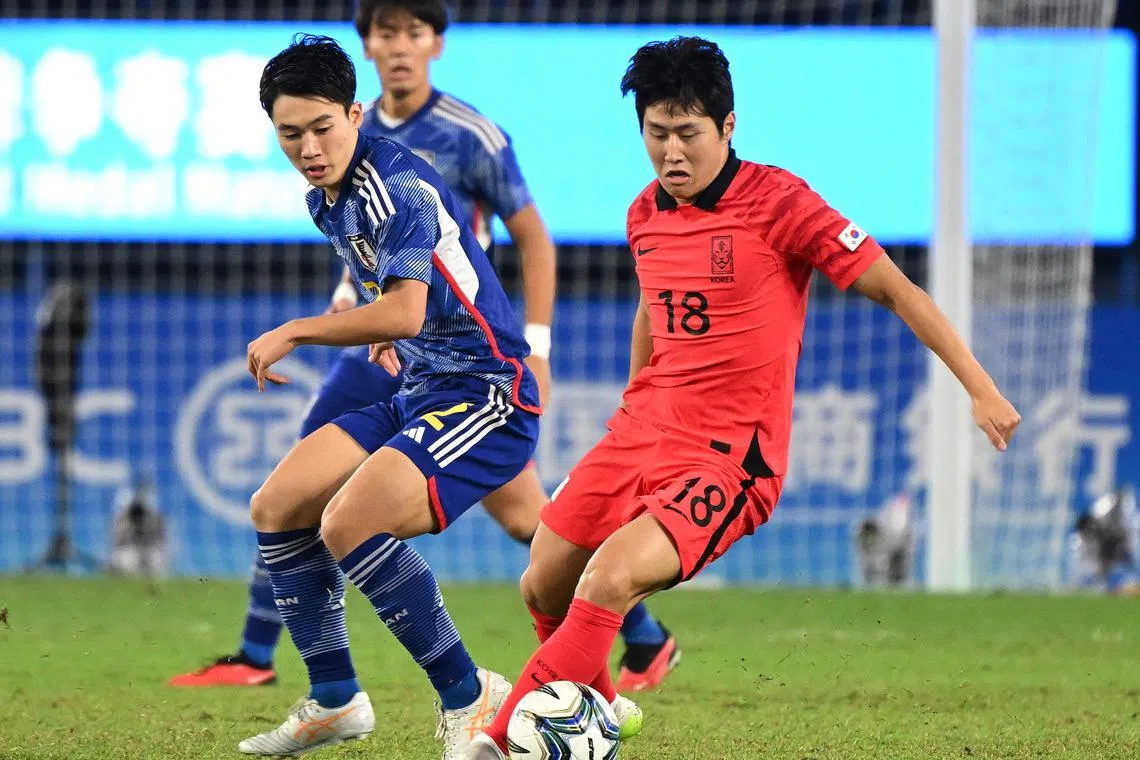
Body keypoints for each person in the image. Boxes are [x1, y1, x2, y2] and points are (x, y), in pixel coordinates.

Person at [463, 36, 1023, 758]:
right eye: (656, 134)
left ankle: (504, 742)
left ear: (729, 127)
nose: (672, 152)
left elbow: (897, 289)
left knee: (607, 581)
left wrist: (979, 389)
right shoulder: (644, 214)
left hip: (730, 458)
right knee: (543, 581)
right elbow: (651, 305)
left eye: (688, 134)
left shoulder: (782, 203)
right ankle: (599, 711)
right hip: (643, 430)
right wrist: (634, 404)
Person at [171, 0, 679, 697]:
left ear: (436, 43)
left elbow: (529, 237)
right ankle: (271, 658)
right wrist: (358, 309)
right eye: (386, 32)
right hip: (393, 347)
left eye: (414, 31)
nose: (400, 46)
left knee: (517, 514)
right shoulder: (333, 135)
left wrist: (537, 345)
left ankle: (616, 640)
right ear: (368, 47)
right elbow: (368, 252)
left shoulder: (468, 136)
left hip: (463, 351)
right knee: (298, 487)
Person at [235, 34, 541, 758]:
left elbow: (405, 308)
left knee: (349, 523)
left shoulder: (396, 183)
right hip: (419, 386)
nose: (309, 147)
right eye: (290, 134)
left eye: (322, 128)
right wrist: (389, 334)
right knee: (277, 506)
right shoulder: (327, 199)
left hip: (486, 392)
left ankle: (471, 694)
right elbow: (404, 299)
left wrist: (301, 330)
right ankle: (336, 699)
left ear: (356, 111)